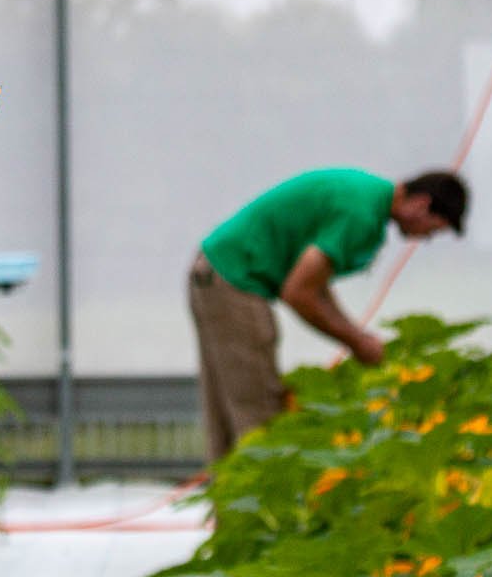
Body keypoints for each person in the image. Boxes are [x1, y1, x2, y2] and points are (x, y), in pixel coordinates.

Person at [188, 168, 468, 460]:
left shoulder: (366, 195)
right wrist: (356, 341)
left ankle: (229, 503)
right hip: (234, 279)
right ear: (421, 204)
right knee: (260, 416)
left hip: (214, 272)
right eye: (433, 229)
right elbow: (298, 292)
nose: (425, 238)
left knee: (227, 419)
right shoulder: (362, 215)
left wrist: (356, 335)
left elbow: (314, 283)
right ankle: (257, 503)